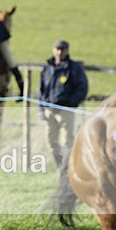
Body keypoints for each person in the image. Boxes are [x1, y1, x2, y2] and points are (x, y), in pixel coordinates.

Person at [38, 39, 88, 168]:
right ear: (53, 50)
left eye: (62, 50)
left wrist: (70, 104)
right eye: (57, 49)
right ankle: (59, 166)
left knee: (67, 141)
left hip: (66, 111)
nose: (59, 52)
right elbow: (41, 90)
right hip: (49, 111)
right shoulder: (47, 68)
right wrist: (41, 109)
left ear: (67, 51)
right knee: (51, 141)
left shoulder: (74, 68)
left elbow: (82, 88)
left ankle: (68, 167)